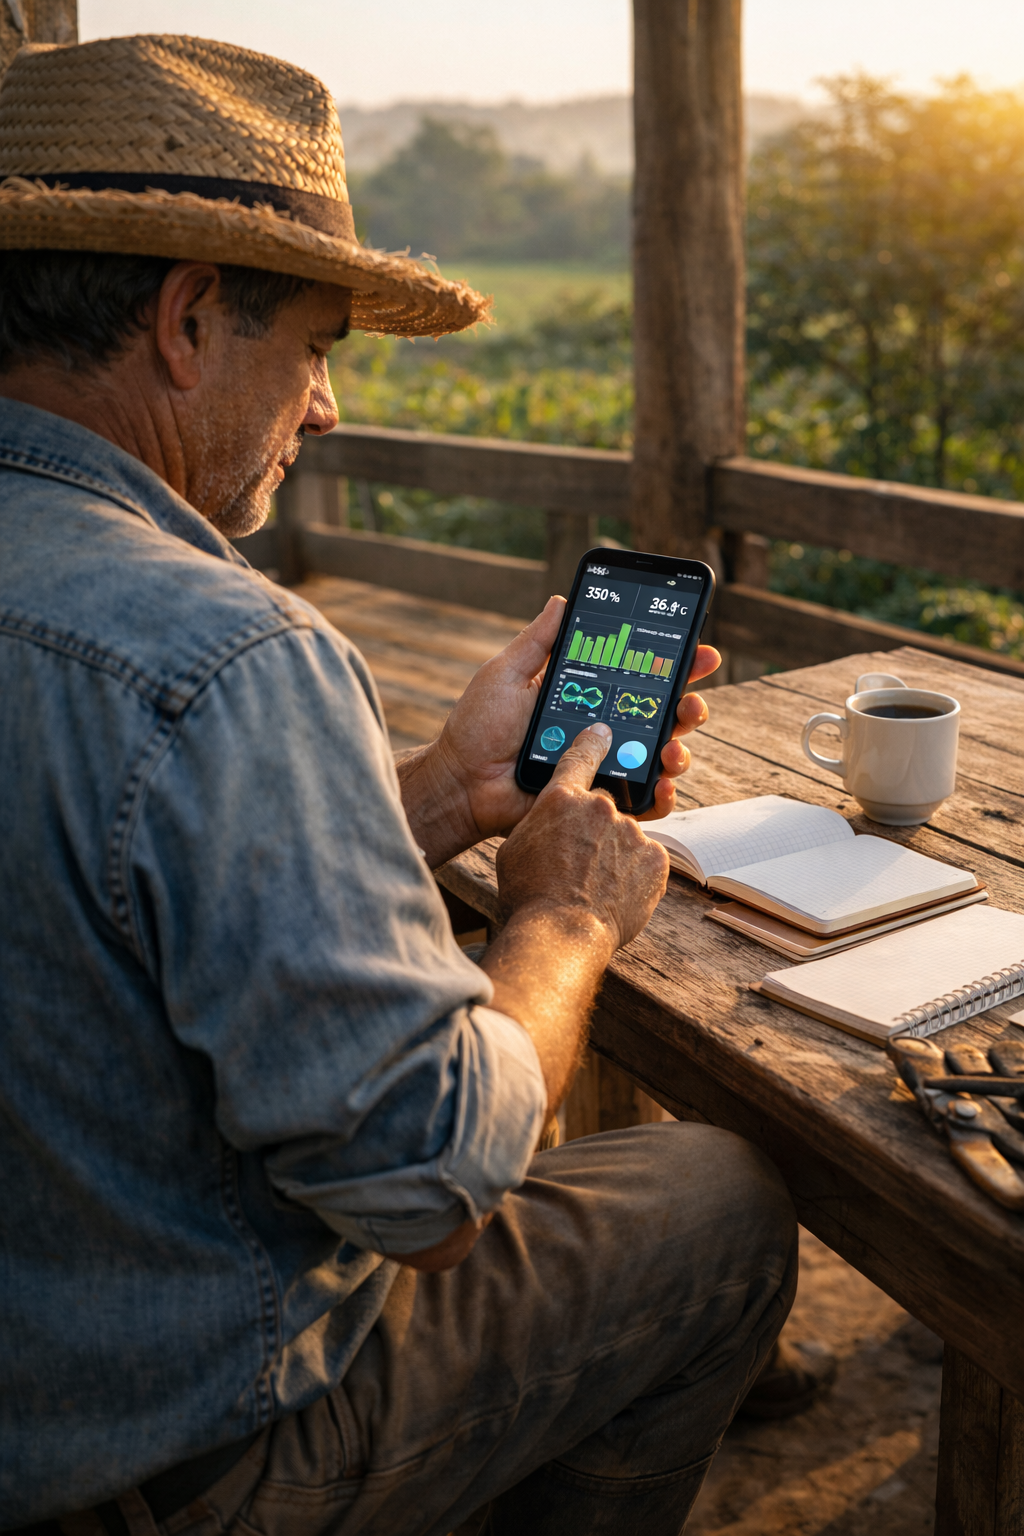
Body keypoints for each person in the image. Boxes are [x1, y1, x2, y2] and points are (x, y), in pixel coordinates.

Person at [0, 35, 797, 1536]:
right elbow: (431, 1187)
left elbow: (104, 896)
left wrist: (428, 795)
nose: (326, 410)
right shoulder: (224, 653)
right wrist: (561, 922)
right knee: (719, 1204)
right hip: (174, 1461)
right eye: (316, 348)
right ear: (185, 319)